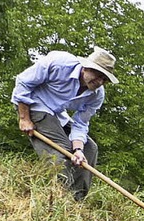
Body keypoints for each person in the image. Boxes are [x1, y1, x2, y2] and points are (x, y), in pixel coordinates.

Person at [11, 46, 118, 200]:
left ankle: (75, 200)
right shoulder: (59, 63)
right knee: (62, 151)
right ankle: (58, 197)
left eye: (105, 79)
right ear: (86, 67)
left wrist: (78, 150)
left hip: (58, 114)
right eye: (98, 74)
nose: (100, 81)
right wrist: (24, 118)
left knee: (90, 148)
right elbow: (23, 82)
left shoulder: (97, 95)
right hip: (33, 105)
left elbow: (80, 123)